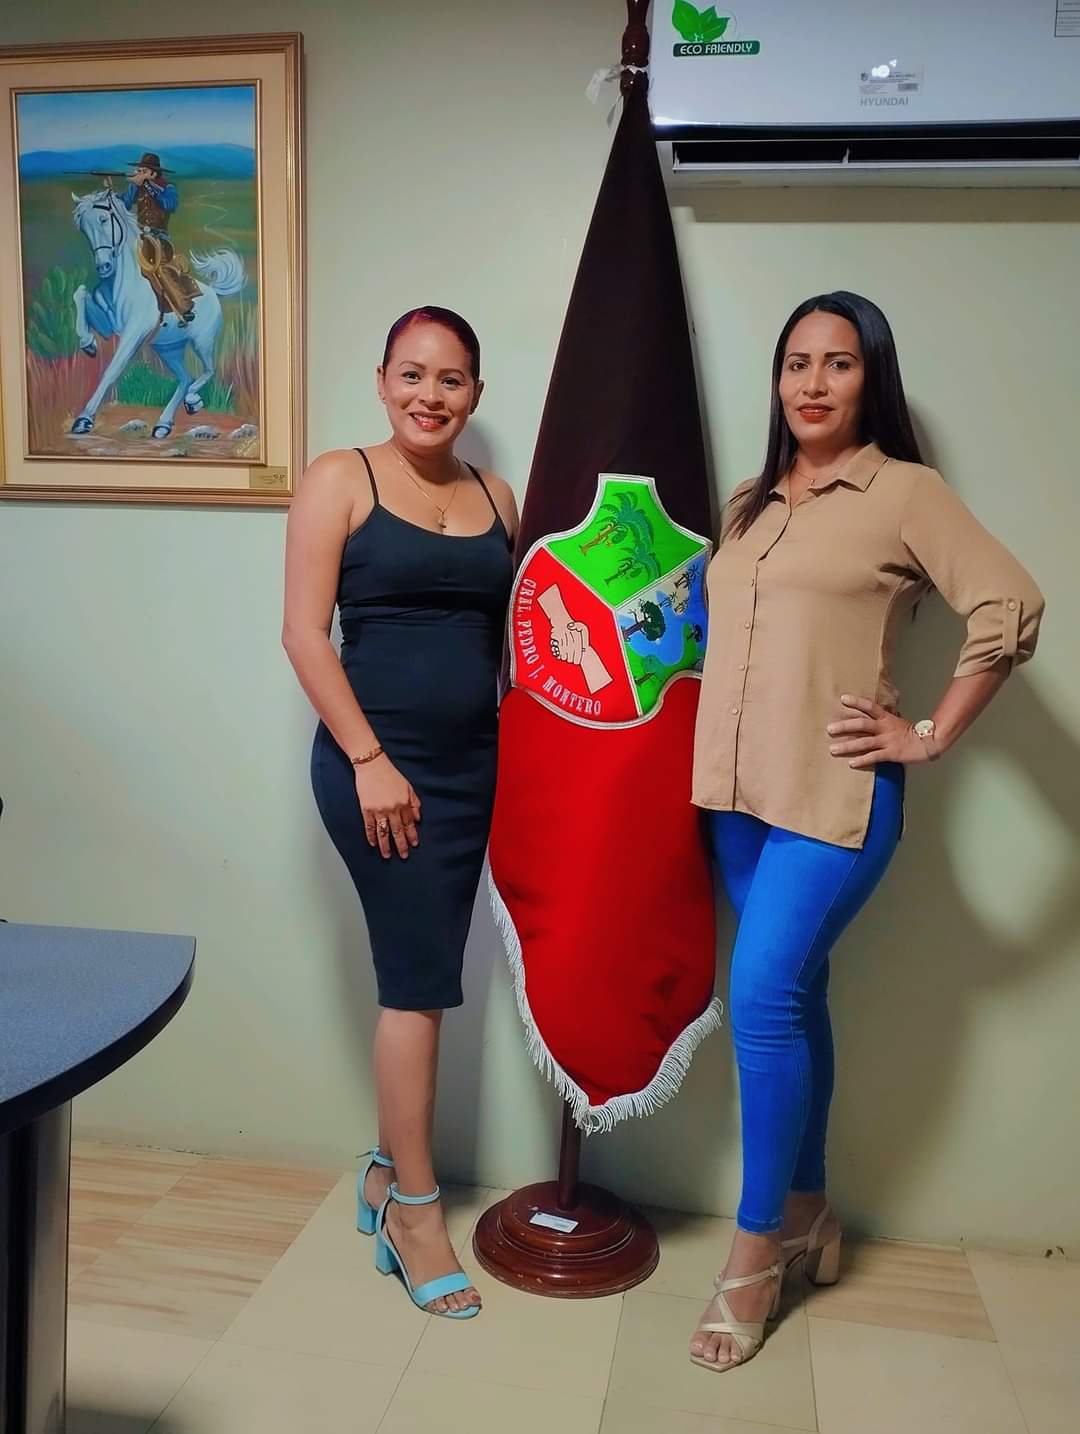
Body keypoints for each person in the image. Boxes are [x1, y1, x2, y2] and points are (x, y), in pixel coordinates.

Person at [687, 290, 1044, 1372]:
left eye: (837, 362)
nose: (812, 382)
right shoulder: (749, 502)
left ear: (870, 377)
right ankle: (810, 1212)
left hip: (834, 802)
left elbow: (1010, 605)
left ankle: (754, 1253)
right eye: (796, 361)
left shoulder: (904, 492)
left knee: (760, 999)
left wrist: (926, 734)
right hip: (736, 803)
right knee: (796, 997)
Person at [282, 306, 517, 1318]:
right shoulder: (341, 478)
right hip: (378, 771)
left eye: (451, 379)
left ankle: (385, 1172)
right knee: (417, 984)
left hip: (476, 770)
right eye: (412, 374)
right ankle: (415, 1215)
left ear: (475, 394)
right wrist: (370, 759)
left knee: (427, 974)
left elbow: (516, 644)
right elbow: (304, 635)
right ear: (381, 382)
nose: (430, 395)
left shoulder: (498, 495)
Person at [121, 152, 198, 324]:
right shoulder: (137, 186)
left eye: (144, 171)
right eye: (139, 171)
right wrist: (114, 189)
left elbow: (169, 204)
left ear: (153, 173)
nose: (140, 173)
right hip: (139, 236)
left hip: (158, 239)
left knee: (161, 269)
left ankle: (184, 307)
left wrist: (146, 185)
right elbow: (125, 203)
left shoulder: (167, 188)